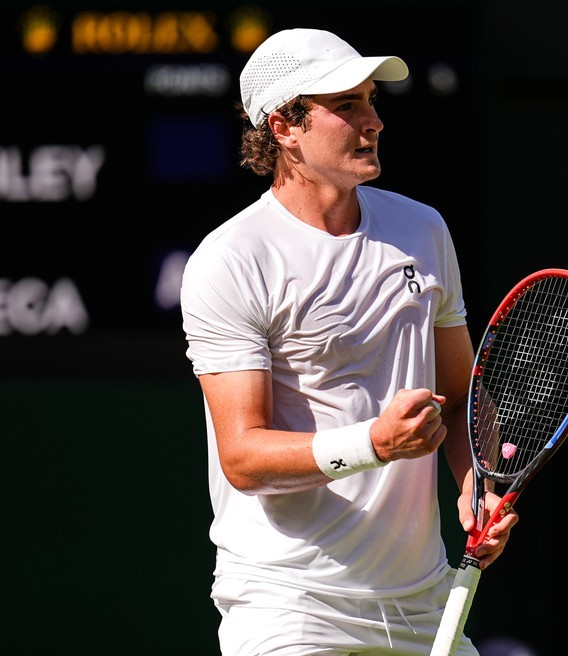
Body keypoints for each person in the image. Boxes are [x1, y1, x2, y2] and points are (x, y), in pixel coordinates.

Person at [180, 27, 518, 656]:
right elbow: (243, 457)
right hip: (289, 606)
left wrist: (478, 483)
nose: (374, 122)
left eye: (370, 101)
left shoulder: (423, 228)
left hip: (423, 601)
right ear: (285, 127)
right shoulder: (230, 260)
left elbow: (460, 393)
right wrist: (375, 443)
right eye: (347, 107)